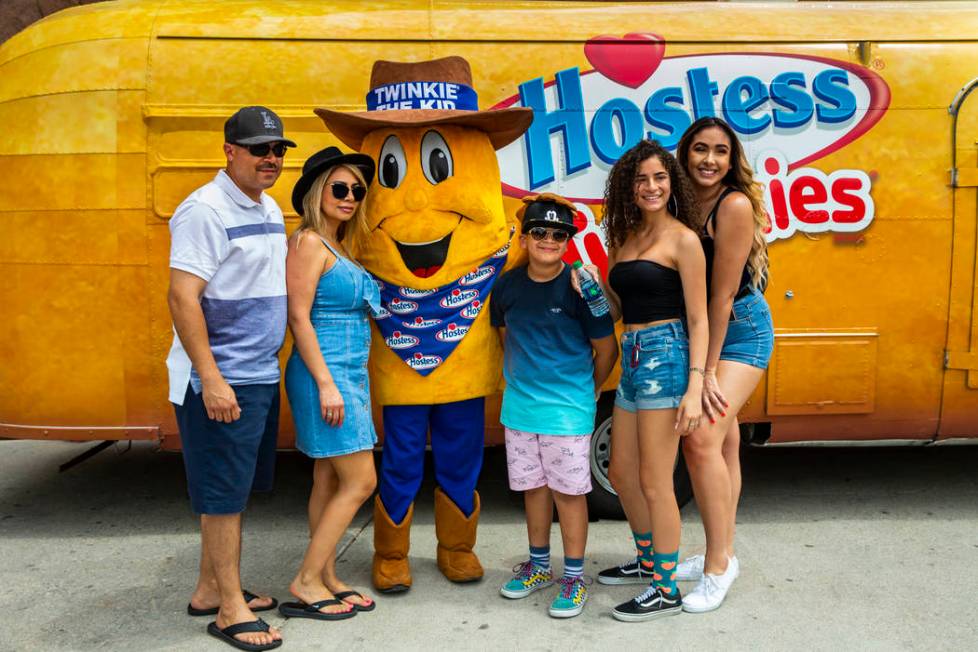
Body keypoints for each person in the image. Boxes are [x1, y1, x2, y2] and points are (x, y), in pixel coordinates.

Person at [167, 106, 295, 651]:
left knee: (234, 492)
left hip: (257, 373)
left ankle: (208, 589)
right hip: (223, 379)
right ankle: (230, 610)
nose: (271, 158)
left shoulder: (265, 207)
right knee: (222, 497)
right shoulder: (204, 210)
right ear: (229, 151)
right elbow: (182, 296)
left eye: (278, 150)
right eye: (259, 148)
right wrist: (211, 377)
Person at [576, 139, 708, 622]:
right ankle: (649, 560)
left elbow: (698, 318)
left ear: (671, 184)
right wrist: (593, 287)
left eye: (659, 178)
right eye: (640, 179)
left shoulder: (683, 240)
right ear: (627, 189)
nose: (650, 187)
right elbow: (619, 311)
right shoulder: (626, 239)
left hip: (667, 356)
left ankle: (666, 587)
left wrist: (696, 385)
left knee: (656, 481)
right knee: (621, 474)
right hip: (632, 356)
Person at [491, 194, 618, 618]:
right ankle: (539, 567)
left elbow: (606, 349)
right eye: (540, 232)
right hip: (520, 409)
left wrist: (589, 390)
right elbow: (505, 334)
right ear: (525, 238)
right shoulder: (507, 284)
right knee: (533, 490)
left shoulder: (582, 286)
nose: (549, 239)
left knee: (569, 494)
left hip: (567, 411)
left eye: (559, 234)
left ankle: (574, 577)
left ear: (568, 241)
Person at [672, 117, 774, 612]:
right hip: (707, 331)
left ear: (732, 161)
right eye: (699, 149)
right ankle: (723, 549)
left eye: (720, 151)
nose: (709, 160)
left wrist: (705, 371)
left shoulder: (732, 205)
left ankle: (717, 566)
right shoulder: (682, 202)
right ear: (684, 153)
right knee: (725, 441)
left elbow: (722, 294)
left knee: (701, 438)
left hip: (739, 332)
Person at [280, 146, 381, 621]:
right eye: (339, 188)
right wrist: (326, 384)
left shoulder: (339, 247)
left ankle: (325, 576)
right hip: (326, 374)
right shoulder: (307, 243)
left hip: (347, 374)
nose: (350, 197)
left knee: (327, 474)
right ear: (319, 191)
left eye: (357, 191)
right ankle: (305, 580)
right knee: (361, 480)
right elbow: (298, 317)